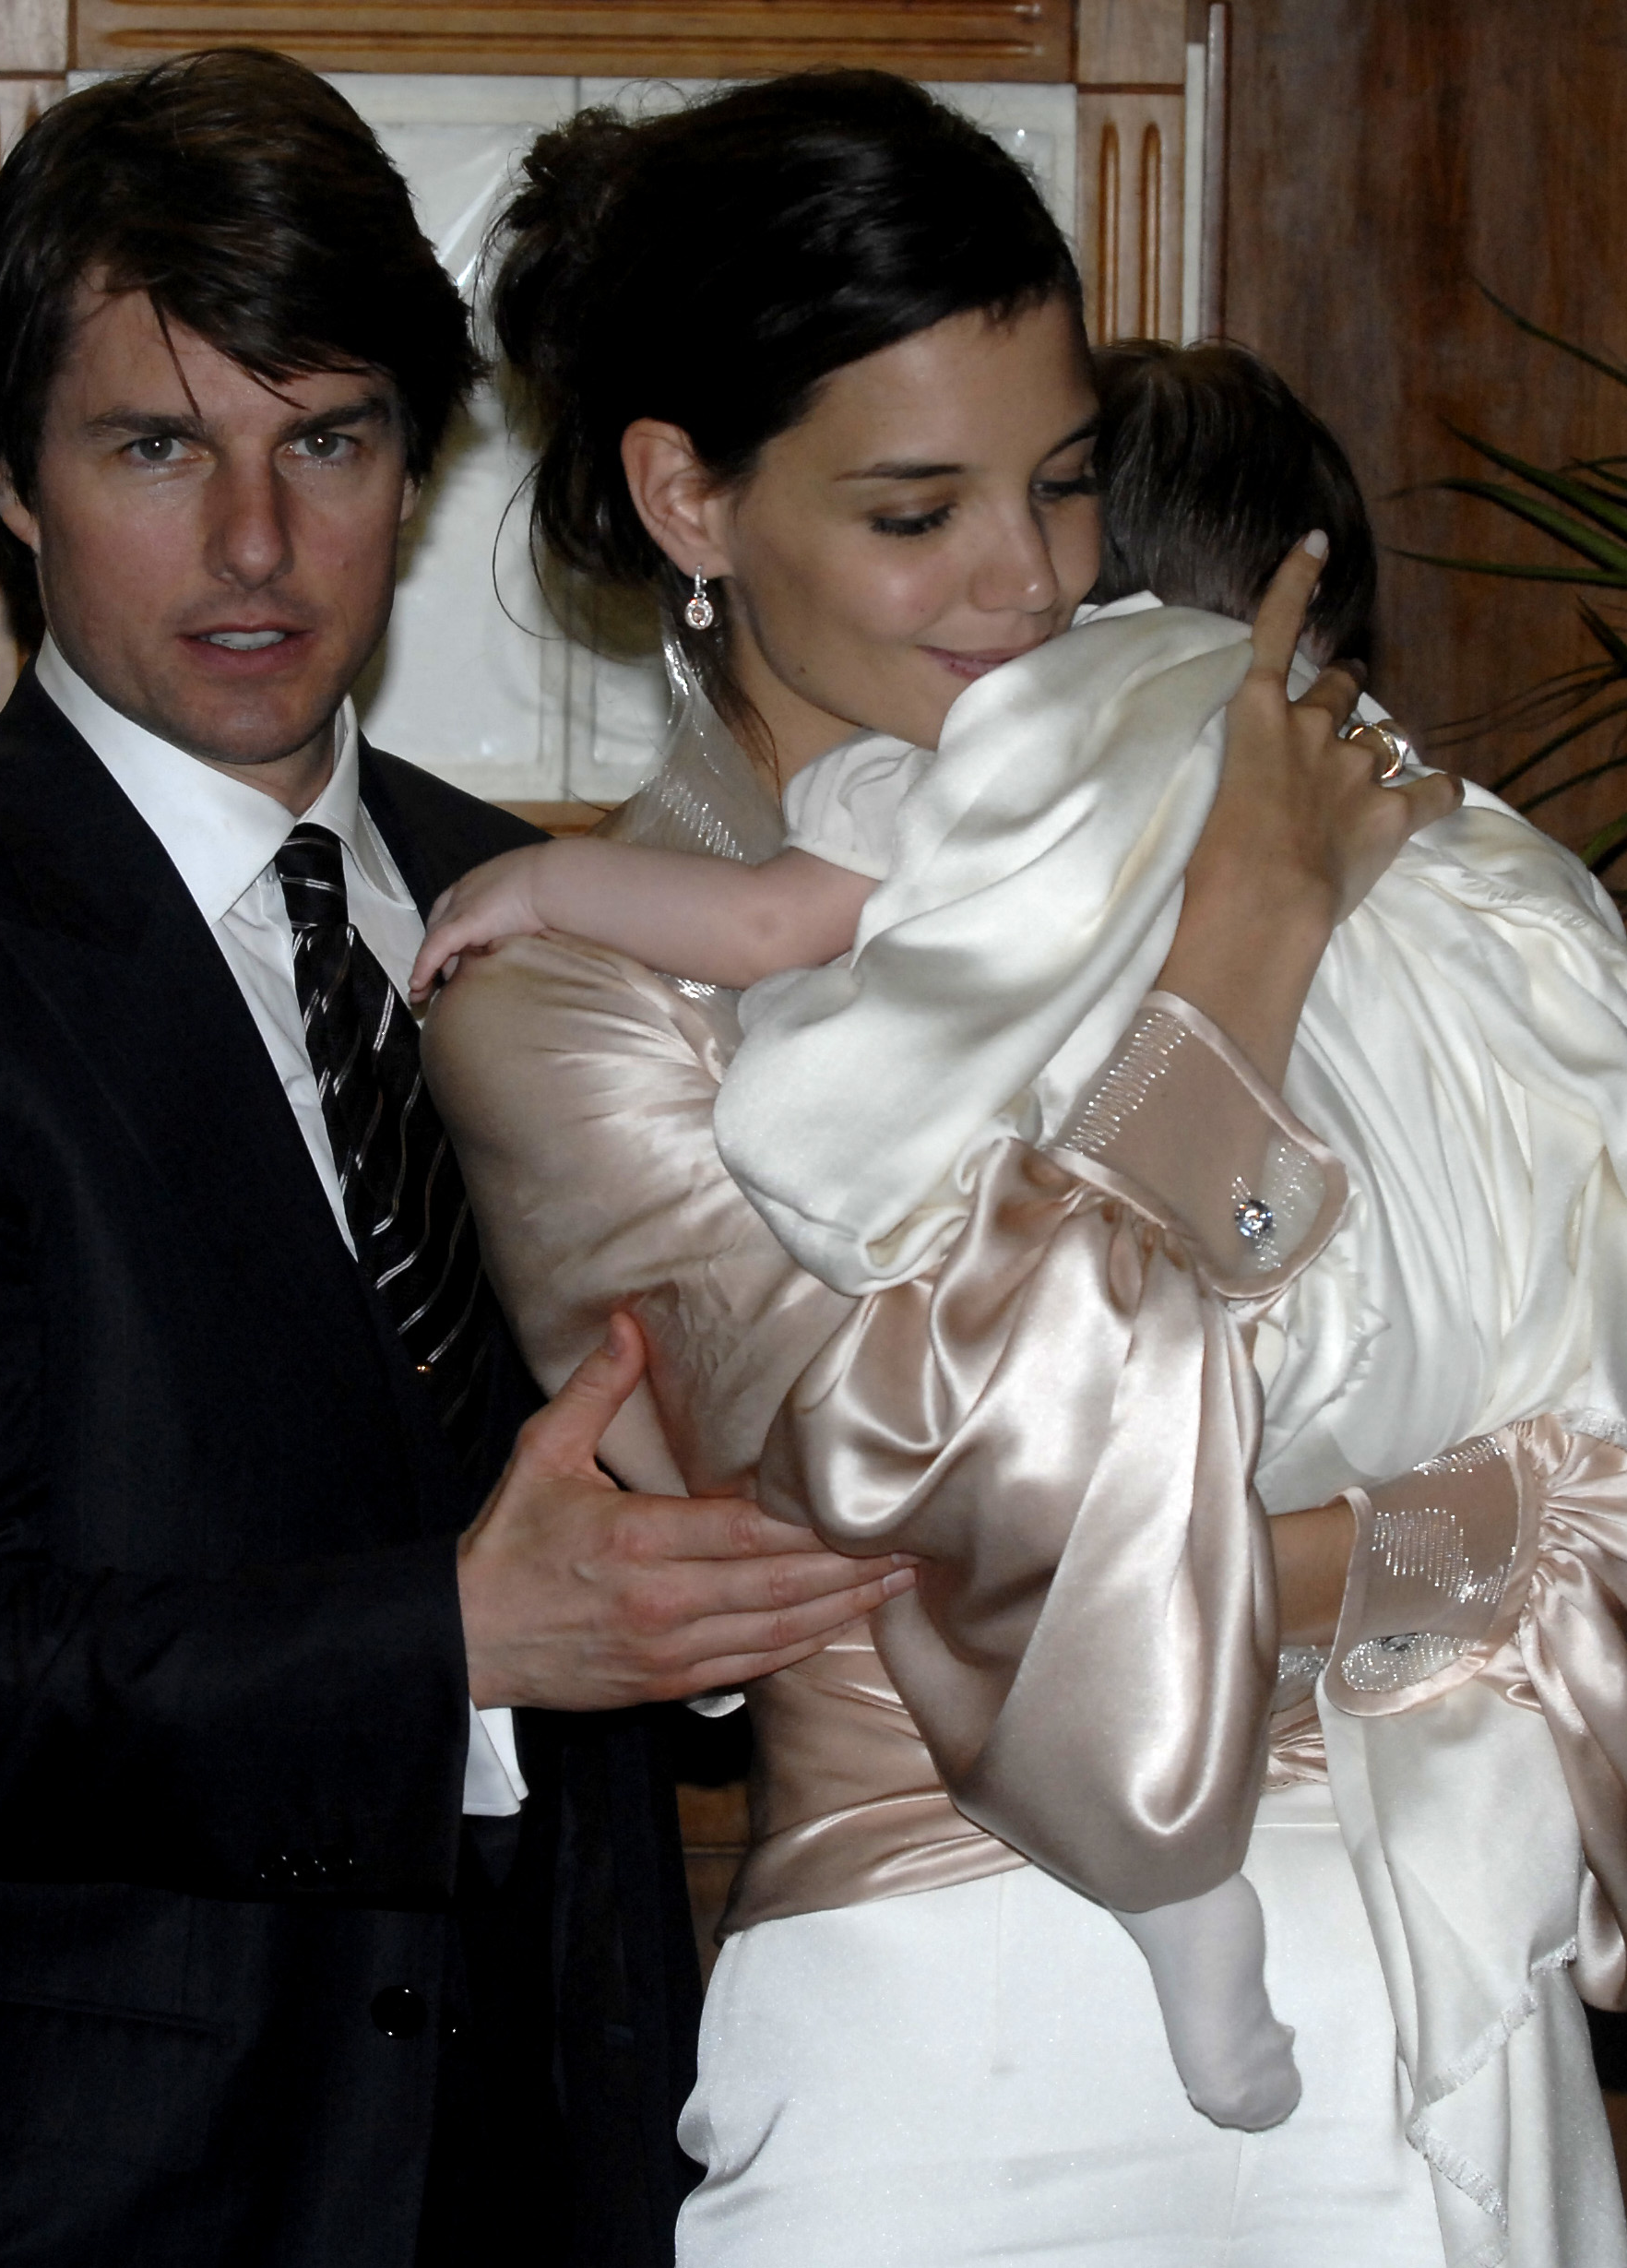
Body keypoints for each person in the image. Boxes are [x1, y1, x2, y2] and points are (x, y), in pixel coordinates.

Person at [425, 72, 1627, 2268]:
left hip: (1420, 1974)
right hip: (958, 2038)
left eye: (1068, 487)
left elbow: (1440, 1251)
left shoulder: (1179, 765)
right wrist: (1245, 953)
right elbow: (962, 1540)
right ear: (689, 496)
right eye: (914, 512)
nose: (1028, 584)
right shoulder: (566, 991)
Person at [0, 52, 911, 2268]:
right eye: (157, 446)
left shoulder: (577, 913)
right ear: (9, 479)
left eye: (334, 440)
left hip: (577, 2160)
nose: (262, 546)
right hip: (103, 2198)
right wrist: (447, 1644)